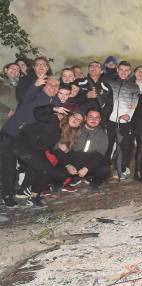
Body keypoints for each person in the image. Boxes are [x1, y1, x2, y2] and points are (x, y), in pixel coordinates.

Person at [1, 77, 61, 206]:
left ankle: (27, 190)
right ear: (44, 85)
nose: (53, 87)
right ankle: (7, 195)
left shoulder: (55, 101)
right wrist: (35, 85)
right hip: (10, 134)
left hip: (26, 138)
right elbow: (27, 95)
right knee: (8, 167)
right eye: (50, 84)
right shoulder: (35, 95)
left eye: (56, 86)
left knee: (36, 163)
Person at [12, 104, 82, 207]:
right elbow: (37, 112)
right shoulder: (54, 119)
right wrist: (53, 108)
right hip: (24, 146)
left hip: (35, 152)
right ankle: (33, 195)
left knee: (46, 169)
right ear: (68, 115)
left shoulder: (68, 133)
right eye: (74, 116)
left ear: (79, 125)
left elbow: (54, 149)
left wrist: (68, 163)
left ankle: (24, 192)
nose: (76, 120)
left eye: (79, 120)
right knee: (49, 170)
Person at [105, 61, 140, 179]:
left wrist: (128, 115)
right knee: (108, 146)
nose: (123, 72)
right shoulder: (110, 83)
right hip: (110, 121)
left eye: (126, 70)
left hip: (125, 122)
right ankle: (104, 168)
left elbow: (135, 104)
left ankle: (122, 169)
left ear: (130, 72)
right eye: (121, 69)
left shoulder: (134, 86)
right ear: (117, 70)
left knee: (126, 147)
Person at [67, 109, 111, 191]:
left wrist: (87, 168)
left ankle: (94, 179)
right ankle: (75, 177)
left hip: (91, 162)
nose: (94, 120)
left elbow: (100, 154)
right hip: (76, 160)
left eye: (97, 117)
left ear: (100, 120)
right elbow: (65, 149)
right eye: (91, 116)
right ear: (85, 118)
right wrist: (68, 164)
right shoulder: (76, 129)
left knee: (105, 170)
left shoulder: (102, 134)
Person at [0, 62, 21, 127]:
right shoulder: (1, 82)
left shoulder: (20, 88)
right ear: (6, 70)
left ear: (19, 74)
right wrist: (7, 110)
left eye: (17, 69)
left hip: (11, 122)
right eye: (12, 68)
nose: (14, 70)